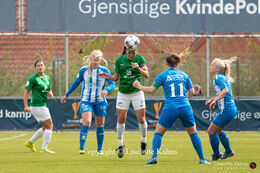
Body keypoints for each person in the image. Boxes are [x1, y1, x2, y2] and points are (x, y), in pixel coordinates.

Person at [132, 48, 210, 164]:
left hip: (171, 108)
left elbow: (152, 89)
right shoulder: (184, 75)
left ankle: (154, 157)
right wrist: (188, 93)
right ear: (177, 63)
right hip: (185, 107)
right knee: (193, 133)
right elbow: (193, 92)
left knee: (158, 132)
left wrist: (139, 87)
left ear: (166, 64)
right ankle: (202, 158)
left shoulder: (163, 75)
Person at [98, 35, 149, 158]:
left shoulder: (140, 59)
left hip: (137, 92)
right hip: (123, 93)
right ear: (126, 49)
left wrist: (139, 69)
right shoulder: (120, 60)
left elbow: (146, 75)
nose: (132, 55)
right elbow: (116, 78)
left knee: (141, 119)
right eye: (130, 52)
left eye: (134, 52)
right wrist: (107, 76)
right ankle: (120, 145)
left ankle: (143, 141)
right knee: (121, 119)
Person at [60, 50, 116, 154]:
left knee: (100, 125)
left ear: (101, 59)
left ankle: (99, 150)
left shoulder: (104, 71)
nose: (96, 58)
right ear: (91, 58)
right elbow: (76, 83)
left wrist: (106, 90)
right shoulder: (83, 70)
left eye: (98, 57)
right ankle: (81, 148)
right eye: (94, 56)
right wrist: (66, 95)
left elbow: (113, 84)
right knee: (87, 122)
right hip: (86, 101)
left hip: (100, 101)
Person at [205, 57, 238, 161]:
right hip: (230, 108)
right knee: (218, 130)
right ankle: (228, 151)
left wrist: (215, 100)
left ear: (216, 69)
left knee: (210, 131)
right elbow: (222, 93)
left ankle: (216, 154)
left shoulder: (218, 78)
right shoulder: (220, 77)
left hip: (227, 110)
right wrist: (213, 99)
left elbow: (225, 91)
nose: (210, 67)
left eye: (212, 65)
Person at [24, 60, 55, 154]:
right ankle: (44, 149)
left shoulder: (47, 78)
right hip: (37, 106)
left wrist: (51, 94)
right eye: (38, 66)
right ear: (35, 68)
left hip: (43, 105)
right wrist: (26, 106)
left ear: (44, 67)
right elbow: (26, 93)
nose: (40, 67)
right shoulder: (33, 79)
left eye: (42, 65)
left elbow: (49, 90)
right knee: (50, 125)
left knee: (46, 127)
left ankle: (30, 143)